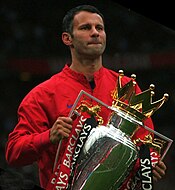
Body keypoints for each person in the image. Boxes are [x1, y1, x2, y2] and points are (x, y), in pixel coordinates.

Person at [5, 4, 167, 189]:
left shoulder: (128, 88)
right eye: (85, 28)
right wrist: (48, 136)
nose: (95, 32)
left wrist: (150, 165)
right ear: (67, 39)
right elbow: (13, 153)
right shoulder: (43, 94)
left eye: (100, 28)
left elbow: (146, 145)